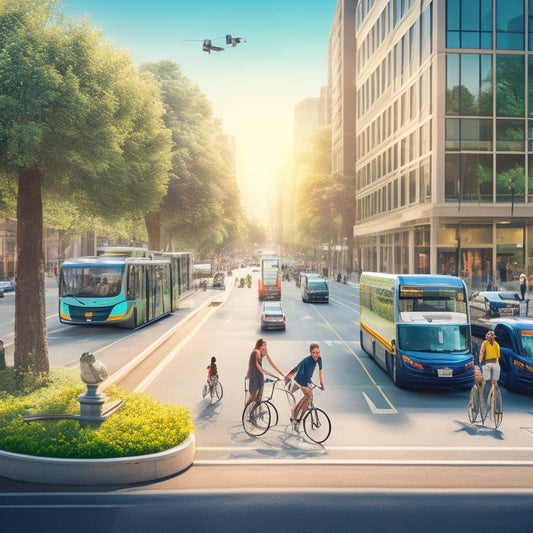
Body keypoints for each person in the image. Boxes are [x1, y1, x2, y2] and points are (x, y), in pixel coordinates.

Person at [287, 343, 325, 426]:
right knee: (308, 396)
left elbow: (320, 372)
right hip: (300, 380)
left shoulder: (319, 359)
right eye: (314, 352)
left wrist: (322, 384)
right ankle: (298, 417)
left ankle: (296, 413)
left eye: (318, 352)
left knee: (308, 397)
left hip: (307, 380)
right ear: (311, 353)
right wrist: (287, 377)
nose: (316, 354)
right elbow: (297, 368)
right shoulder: (307, 360)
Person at [244, 338, 284, 408]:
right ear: (259, 346)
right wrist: (268, 374)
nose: (265, 347)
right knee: (252, 396)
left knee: (259, 398)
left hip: (260, 377)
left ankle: (253, 413)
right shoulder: (256, 352)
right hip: (253, 377)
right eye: (263, 346)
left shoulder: (263, 353)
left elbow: (272, 364)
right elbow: (258, 367)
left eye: (266, 345)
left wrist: (281, 373)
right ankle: (246, 410)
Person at [479, 330, 500, 412]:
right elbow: (498, 357)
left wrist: (480, 363)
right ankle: (496, 403)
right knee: (494, 384)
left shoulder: (485, 343)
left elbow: (481, 353)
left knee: (485, 383)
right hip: (494, 364)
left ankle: (485, 402)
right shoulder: (496, 345)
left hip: (488, 364)